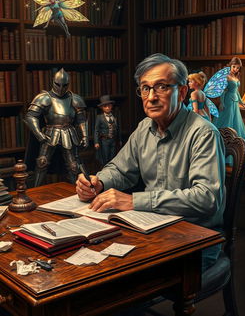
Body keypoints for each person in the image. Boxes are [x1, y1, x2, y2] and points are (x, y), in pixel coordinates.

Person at [76, 53, 226, 272]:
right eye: (145, 88)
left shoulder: (203, 133)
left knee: (121, 280)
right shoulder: (144, 127)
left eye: (162, 87)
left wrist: (135, 201)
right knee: (94, 265)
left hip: (195, 239)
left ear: (182, 92)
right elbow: (120, 168)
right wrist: (98, 183)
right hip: (153, 230)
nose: (151, 97)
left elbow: (206, 198)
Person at [24, 68, 89, 187]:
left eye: (64, 85)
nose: (61, 88)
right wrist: (39, 134)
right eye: (58, 84)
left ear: (68, 84)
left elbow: (81, 119)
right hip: (50, 133)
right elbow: (30, 117)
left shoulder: (75, 98)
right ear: (53, 82)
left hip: (69, 132)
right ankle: (35, 191)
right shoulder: (44, 97)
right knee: (42, 162)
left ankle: (80, 191)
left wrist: (85, 135)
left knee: (73, 165)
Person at [213, 57, 245, 144]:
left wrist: (241, 102)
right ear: (230, 65)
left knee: (235, 120)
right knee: (227, 119)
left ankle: (235, 142)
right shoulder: (226, 76)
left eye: (237, 68)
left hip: (235, 102)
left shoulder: (236, 77)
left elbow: (236, 91)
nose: (235, 69)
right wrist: (221, 102)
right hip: (228, 100)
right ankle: (225, 140)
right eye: (234, 67)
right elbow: (223, 91)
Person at [94, 95, 122, 166]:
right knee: (105, 156)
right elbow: (96, 130)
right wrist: (96, 142)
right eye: (105, 106)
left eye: (109, 106)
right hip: (104, 141)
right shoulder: (99, 118)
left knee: (113, 156)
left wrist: (120, 140)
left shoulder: (114, 116)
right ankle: (105, 170)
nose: (107, 108)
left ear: (111, 106)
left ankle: (111, 170)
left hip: (113, 140)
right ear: (101, 107)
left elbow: (118, 129)